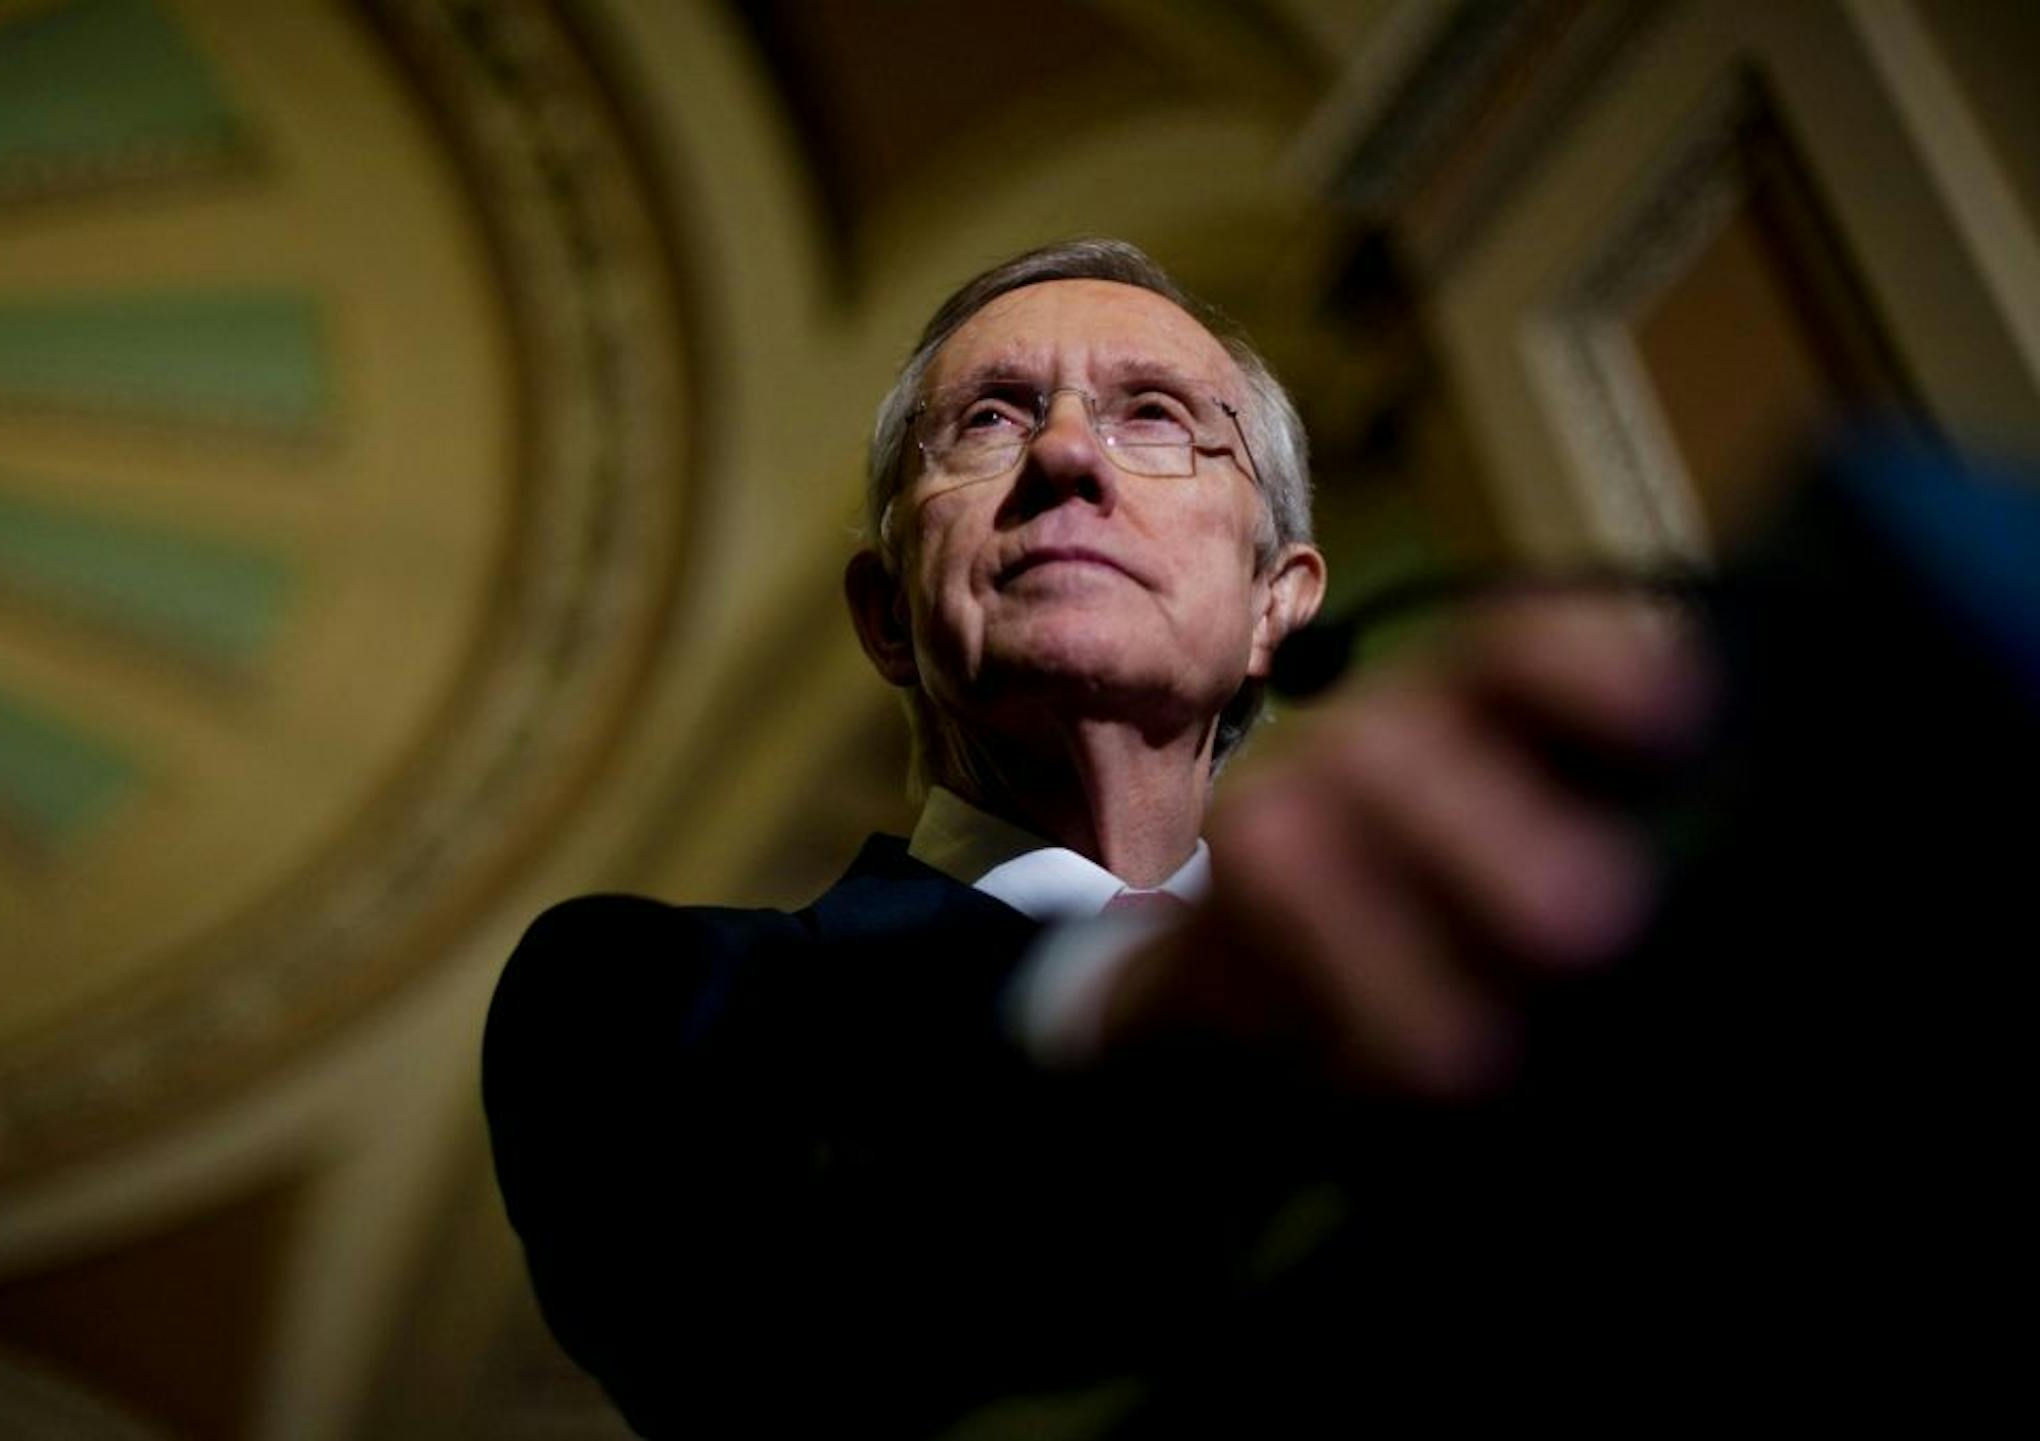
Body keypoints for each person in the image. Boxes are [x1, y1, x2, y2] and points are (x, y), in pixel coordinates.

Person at [483, 239, 1911, 1438]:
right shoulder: (643, 997)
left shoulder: (1536, 968)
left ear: (1279, 603)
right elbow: (762, 1348)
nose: (1060, 453)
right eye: (986, 419)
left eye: (1155, 414)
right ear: (885, 616)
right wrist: (1159, 1015)